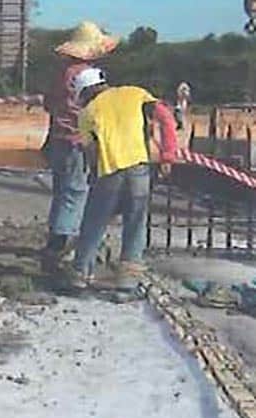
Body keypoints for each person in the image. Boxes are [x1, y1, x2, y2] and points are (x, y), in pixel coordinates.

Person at [67, 68, 178, 290]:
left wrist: (94, 176)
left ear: (86, 91)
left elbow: (92, 152)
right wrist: (168, 155)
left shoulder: (87, 113)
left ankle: (80, 274)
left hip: (109, 172)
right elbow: (166, 118)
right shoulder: (135, 93)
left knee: (94, 222)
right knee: (135, 224)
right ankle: (127, 284)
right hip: (139, 170)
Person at [41, 22, 119, 271]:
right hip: (78, 141)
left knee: (63, 194)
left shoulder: (60, 74)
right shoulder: (89, 76)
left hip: (58, 139)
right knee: (75, 194)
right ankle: (60, 248)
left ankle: (56, 243)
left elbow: (48, 104)